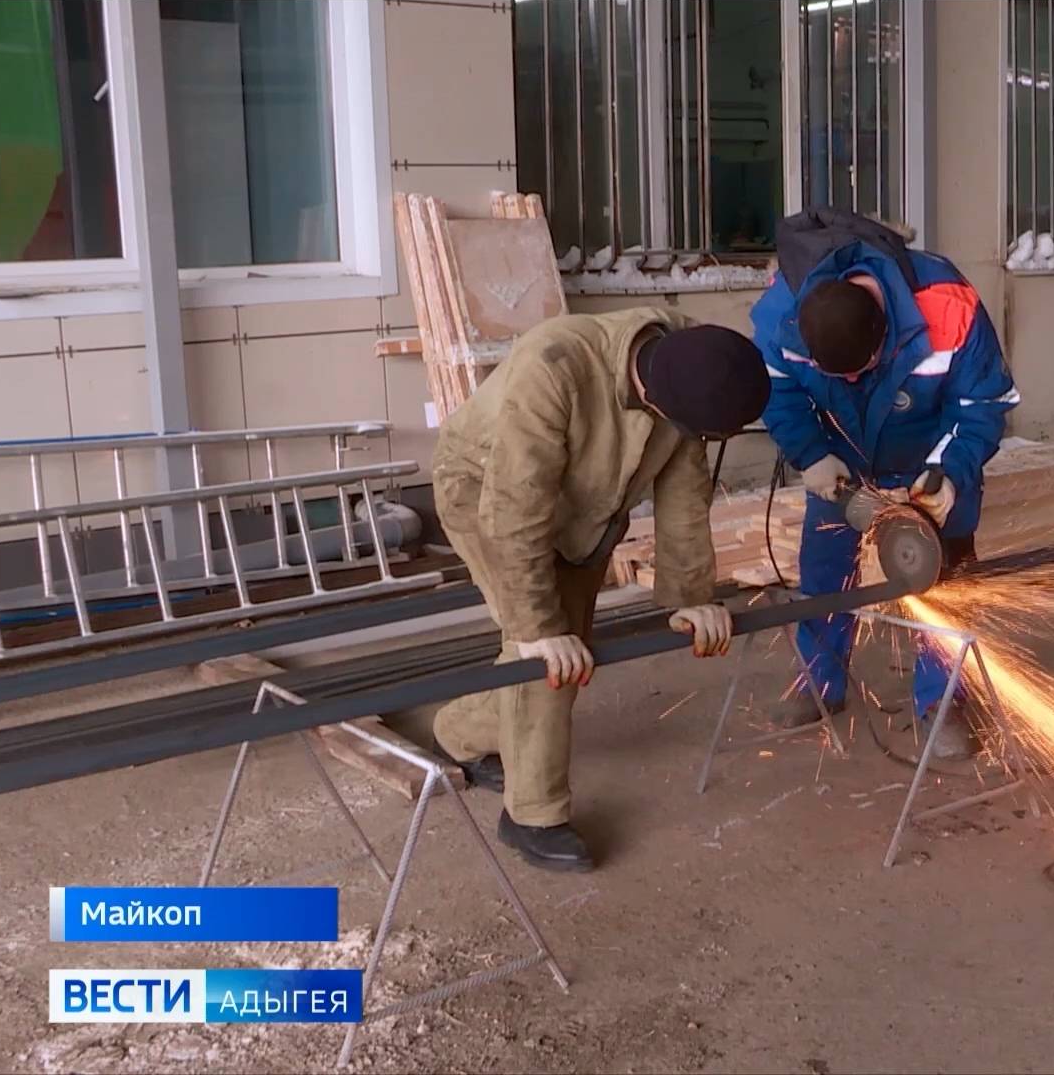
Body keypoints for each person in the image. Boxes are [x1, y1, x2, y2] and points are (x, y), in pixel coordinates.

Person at [430, 309, 770, 870]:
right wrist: (539, 628)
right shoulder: (555, 366)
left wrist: (692, 597)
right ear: (654, 395)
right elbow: (515, 510)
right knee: (545, 655)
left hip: (585, 511)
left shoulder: (692, 364)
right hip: (483, 493)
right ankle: (532, 815)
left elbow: (685, 496)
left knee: (566, 664)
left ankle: (459, 732)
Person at [752, 208, 1020, 759]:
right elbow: (776, 392)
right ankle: (820, 684)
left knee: (946, 585)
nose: (850, 381)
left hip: (931, 459)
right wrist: (813, 455)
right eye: (836, 376)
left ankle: (940, 702)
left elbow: (983, 404)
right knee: (825, 576)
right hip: (843, 465)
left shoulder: (947, 302)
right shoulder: (782, 310)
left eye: (860, 368)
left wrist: (949, 473)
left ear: (884, 327)